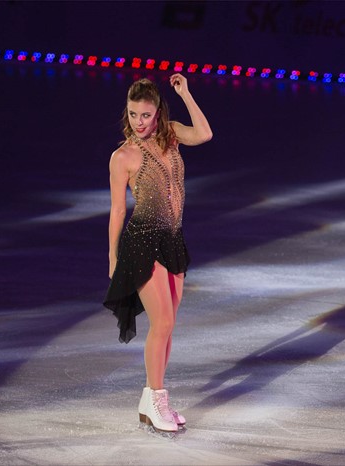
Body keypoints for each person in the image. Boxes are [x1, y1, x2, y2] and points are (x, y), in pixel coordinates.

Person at [103, 74, 212, 433]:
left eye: (146, 115)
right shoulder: (123, 156)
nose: (139, 122)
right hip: (142, 244)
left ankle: (151, 397)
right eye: (133, 114)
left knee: (168, 325)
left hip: (172, 241)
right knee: (161, 323)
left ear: (158, 112)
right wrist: (113, 258)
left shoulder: (172, 134)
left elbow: (205, 134)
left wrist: (186, 94)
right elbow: (118, 210)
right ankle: (156, 399)